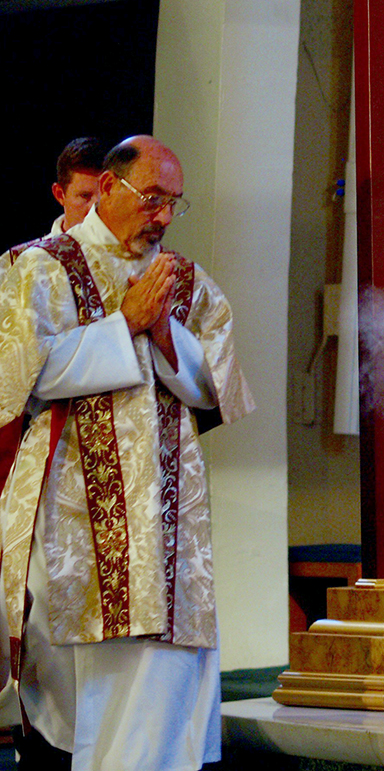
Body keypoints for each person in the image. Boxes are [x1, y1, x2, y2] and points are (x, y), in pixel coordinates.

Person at [0, 135, 254, 770]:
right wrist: (124, 327)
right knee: (70, 678)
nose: (163, 217)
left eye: (174, 203)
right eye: (152, 199)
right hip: (73, 507)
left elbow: (218, 387)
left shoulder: (187, 280)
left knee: (163, 661)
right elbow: (20, 380)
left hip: (168, 518)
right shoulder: (40, 265)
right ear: (108, 189)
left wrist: (166, 331)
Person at [48, 137, 108, 235]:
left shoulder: (134, 247)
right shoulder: (39, 251)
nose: (96, 208)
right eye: (85, 196)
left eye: (104, 195)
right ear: (59, 194)